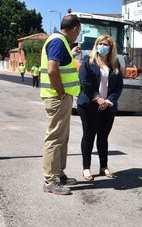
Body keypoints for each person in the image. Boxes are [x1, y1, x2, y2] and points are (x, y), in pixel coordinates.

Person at [40, 15, 81, 195]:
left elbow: (60, 65)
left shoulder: (60, 41)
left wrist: (71, 55)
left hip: (60, 97)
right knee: (55, 138)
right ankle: (50, 180)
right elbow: (52, 69)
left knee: (62, 137)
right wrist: (61, 92)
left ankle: (58, 173)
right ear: (75, 29)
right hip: (58, 97)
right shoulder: (58, 41)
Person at [77, 35, 124, 181]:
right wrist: (98, 98)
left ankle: (104, 167)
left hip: (108, 107)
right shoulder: (88, 61)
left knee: (103, 137)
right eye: (100, 43)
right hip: (89, 105)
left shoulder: (115, 64)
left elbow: (118, 86)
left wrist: (109, 100)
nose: (103, 46)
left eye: (106, 44)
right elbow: (85, 82)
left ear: (111, 48)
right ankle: (86, 168)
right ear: (96, 45)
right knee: (89, 136)